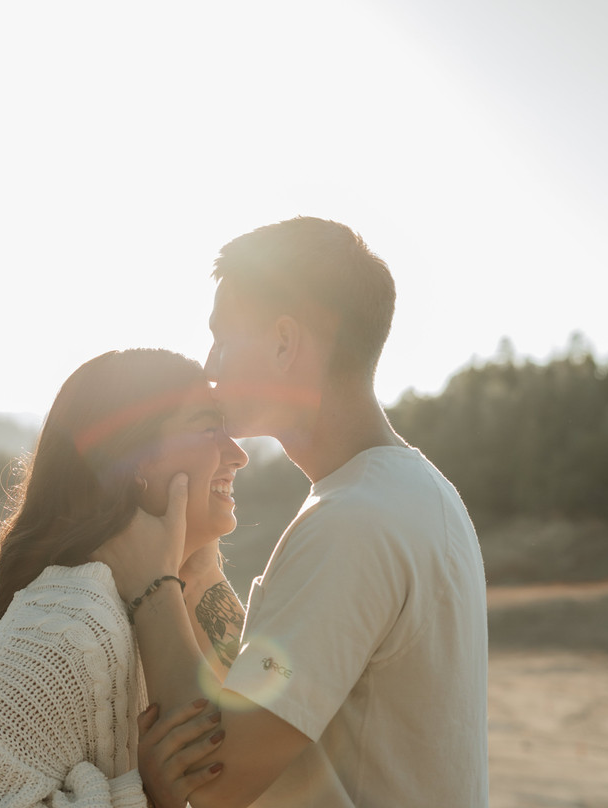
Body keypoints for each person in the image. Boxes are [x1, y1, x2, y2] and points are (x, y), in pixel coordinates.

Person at [94, 217, 490, 807]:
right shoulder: (416, 492)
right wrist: (200, 571)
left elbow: (219, 775)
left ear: (284, 342)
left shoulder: (353, 521)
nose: (209, 364)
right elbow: (269, 681)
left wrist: (153, 585)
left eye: (223, 338)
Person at [0, 348, 249, 808]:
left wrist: (203, 573)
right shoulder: (60, 633)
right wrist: (146, 797)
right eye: (208, 428)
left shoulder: (165, 601)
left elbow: (261, 722)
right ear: (135, 460)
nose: (238, 454)